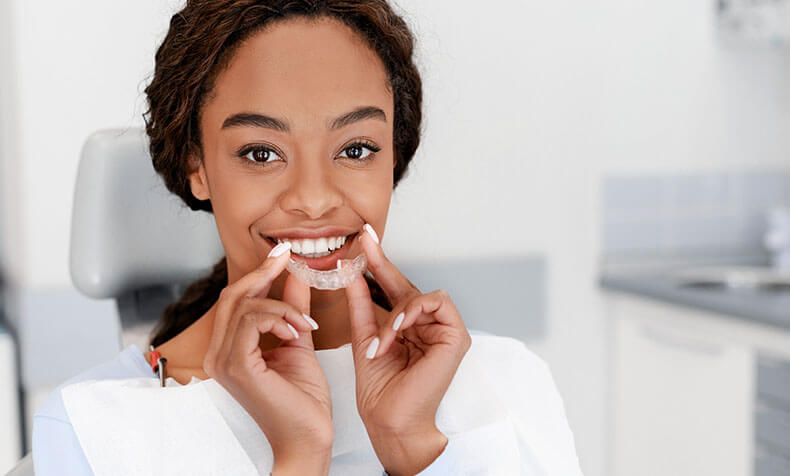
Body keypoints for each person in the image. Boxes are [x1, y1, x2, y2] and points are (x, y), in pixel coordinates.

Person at [32, 1, 584, 474]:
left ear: (393, 157)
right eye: (261, 153)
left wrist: (413, 446)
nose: (315, 199)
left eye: (356, 149)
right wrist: (299, 455)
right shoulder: (94, 430)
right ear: (196, 165)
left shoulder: (508, 383)